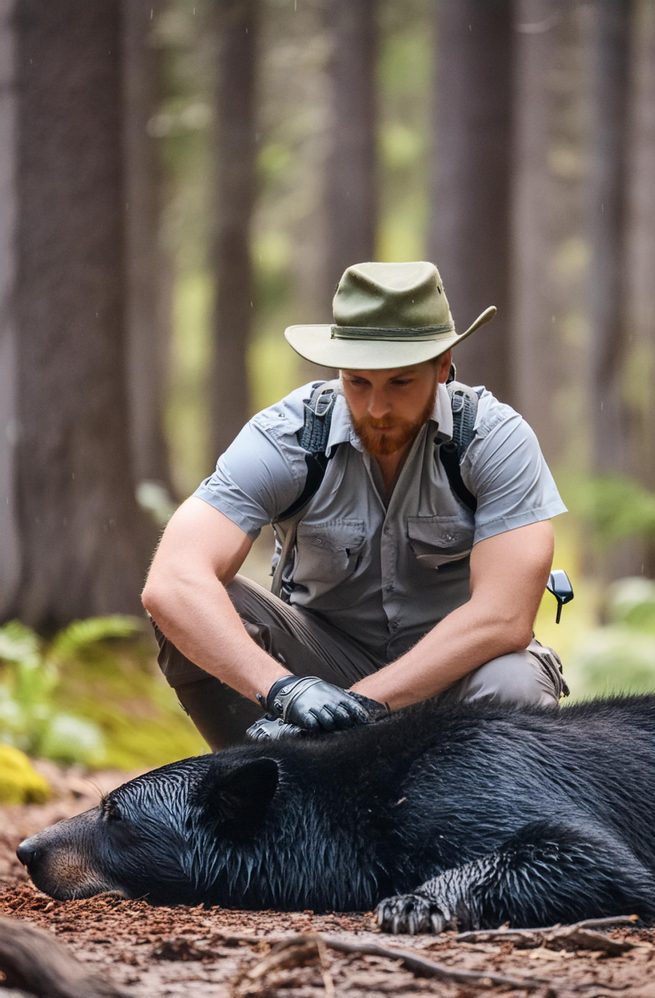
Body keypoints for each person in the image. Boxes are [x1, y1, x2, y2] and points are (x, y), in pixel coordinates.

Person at [142, 261, 568, 750]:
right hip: (317, 668)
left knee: (515, 683)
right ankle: (263, 800)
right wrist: (285, 690)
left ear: (443, 366)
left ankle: (491, 824)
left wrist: (360, 706)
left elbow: (504, 617)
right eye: (358, 382)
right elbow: (173, 579)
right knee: (198, 606)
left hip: (459, 676)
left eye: (400, 383)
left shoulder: (494, 439)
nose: (376, 409)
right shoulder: (290, 436)